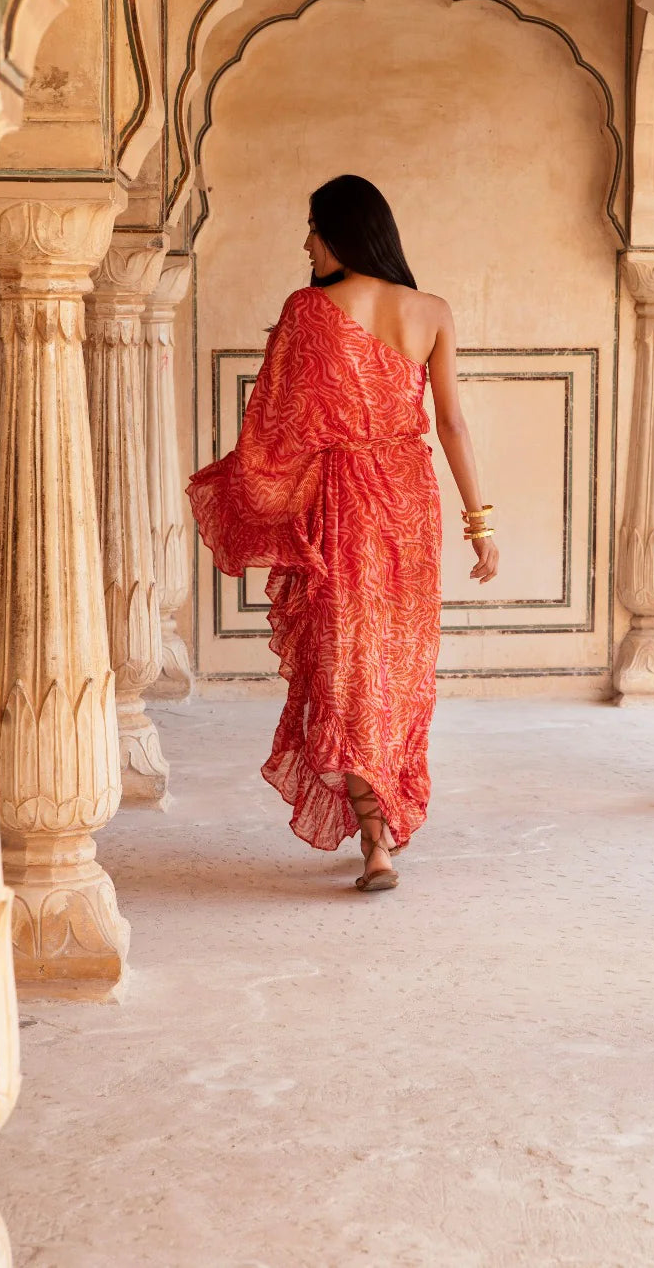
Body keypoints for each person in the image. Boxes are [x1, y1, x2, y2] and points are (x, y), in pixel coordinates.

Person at [187, 174, 498, 892]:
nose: (306, 243)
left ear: (343, 232)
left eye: (313, 228)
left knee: (349, 668)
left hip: (344, 507)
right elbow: (450, 424)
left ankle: (376, 836)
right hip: (410, 504)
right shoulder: (433, 311)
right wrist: (481, 523)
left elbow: (274, 425)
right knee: (395, 667)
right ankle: (378, 825)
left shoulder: (308, 310)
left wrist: (248, 488)